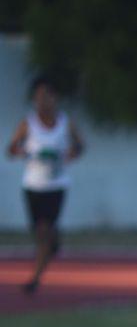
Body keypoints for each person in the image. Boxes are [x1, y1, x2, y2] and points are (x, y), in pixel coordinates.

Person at [7, 75, 85, 295]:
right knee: (39, 231)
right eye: (38, 97)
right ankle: (53, 243)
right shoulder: (27, 124)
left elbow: (79, 146)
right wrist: (21, 151)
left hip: (56, 185)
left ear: (55, 98)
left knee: (44, 230)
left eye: (47, 96)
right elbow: (11, 149)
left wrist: (72, 153)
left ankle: (35, 279)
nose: (43, 101)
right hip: (33, 185)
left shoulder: (65, 123)